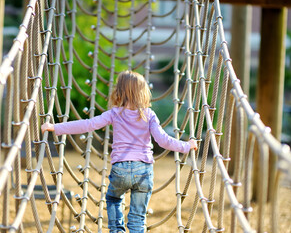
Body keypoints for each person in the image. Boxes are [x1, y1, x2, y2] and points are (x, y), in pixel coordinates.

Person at [41, 70, 197, 233]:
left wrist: (55, 127)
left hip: (120, 169)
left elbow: (88, 124)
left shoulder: (115, 114)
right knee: (138, 219)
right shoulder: (149, 115)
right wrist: (187, 146)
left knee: (114, 199)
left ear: (119, 92)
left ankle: (117, 231)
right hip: (143, 170)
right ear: (143, 92)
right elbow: (163, 140)